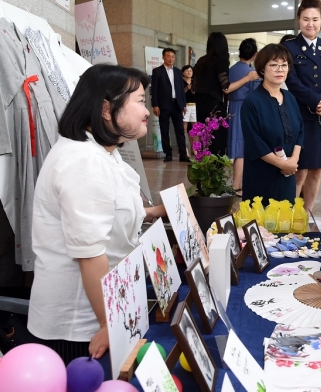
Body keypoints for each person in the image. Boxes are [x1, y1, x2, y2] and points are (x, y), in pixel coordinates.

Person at [28, 64, 166, 363]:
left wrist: (155, 211)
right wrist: (108, 323)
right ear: (107, 109)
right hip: (80, 325)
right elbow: (90, 253)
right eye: (140, 101)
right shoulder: (83, 162)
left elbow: (108, 210)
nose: (147, 111)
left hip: (108, 305)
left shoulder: (103, 152)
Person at [282, 0, 321, 213]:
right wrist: (319, 100)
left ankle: (305, 215)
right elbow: (291, 80)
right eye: (306, 19)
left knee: (317, 170)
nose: (310, 24)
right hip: (301, 116)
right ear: (299, 20)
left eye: (315, 19)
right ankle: (289, 215)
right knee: (300, 170)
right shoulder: (289, 47)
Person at [240, 44, 304, 206]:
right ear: (262, 69)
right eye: (274, 65)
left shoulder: (290, 97)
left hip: (287, 174)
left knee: (285, 222)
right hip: (262, 175)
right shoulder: (252, 101)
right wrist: (283, 164)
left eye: (284, 65)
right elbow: (254, 142)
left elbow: (300, 131)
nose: (280, 70)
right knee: (262, 225)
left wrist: (293, 161)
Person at [193, 32, 259, 156]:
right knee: (216, 141)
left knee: (205, 139)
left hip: (201, 105)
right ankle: (214, 171)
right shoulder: (221, 61)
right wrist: (247, 78)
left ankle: (204, 171)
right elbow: (226, 88)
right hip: (215, 106)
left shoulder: (202, 61)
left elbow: (194, 86)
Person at [227, 38, 260, 197]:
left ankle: (236, 182)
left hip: (232, 108)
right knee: (241, 149)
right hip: (244, 108)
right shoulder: (252, 73)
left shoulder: (231, 69)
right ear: (254, 54)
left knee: (236, 147)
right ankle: (237, 185)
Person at [151, 48, 188, 162]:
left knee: (180, 131)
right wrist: (155, 105)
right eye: (168, 56)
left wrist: (183, 104)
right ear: (163, 57)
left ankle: (183, 154)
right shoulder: (157, 71)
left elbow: (181, 90)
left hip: (177, 104)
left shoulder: (177, 71)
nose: (171, 58)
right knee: (164, 130)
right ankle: (168, 154)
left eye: (172, 56)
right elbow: (154, 89)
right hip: (163, 105)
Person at [182, 64, 196, 157]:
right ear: (183, 72)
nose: (189, 72)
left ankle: (194, 148)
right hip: (185, 106)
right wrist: (187, 88)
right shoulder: (181, 82)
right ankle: (184, 148)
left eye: (190, 70)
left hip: (194, 106)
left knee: (195, 128)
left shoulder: (195, 82)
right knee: (184, 128)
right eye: (187, 70)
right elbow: (179, 94)